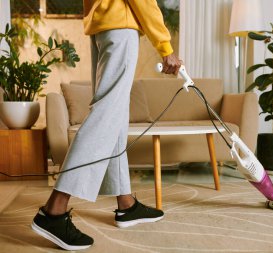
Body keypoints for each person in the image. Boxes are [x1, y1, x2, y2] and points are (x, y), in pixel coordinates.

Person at [31, 0, 182, 250]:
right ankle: (54, 211)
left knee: (114, 118)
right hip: (120, 26)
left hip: (102, 25)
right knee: (106, 116)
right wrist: (164, 46)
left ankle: (126, 205)